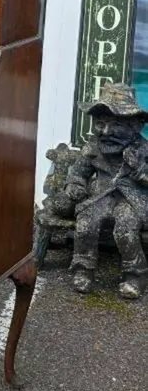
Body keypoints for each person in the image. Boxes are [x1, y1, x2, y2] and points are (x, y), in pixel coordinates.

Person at [54, 83, 148, 299]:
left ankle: (135, 276)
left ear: (135, 125)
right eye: (100, 124)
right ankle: (83, 270)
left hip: (131, 199)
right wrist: (75, 186)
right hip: (100, 196)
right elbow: (78, 173)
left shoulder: (144, 150)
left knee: (124, 230)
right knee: (85, 225)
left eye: (114, 126)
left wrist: (141, 173)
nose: (105, 132)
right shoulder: (93, 148)